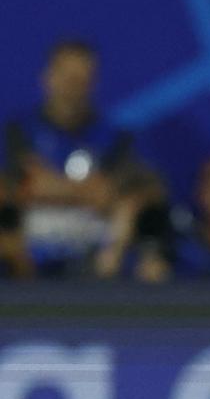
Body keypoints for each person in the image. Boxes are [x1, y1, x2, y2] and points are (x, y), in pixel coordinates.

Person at [2, 38, 164, 277]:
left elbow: (129, 192)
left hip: (99, 256)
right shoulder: (18, 133)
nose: (72, 88)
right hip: (28, 256)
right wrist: (89, 191)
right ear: (47, 78)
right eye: (67, 78)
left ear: (93, 83)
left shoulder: (115, 138)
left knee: (142, 212)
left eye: (81, 80)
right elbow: (17, 189)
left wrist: (51, 187)